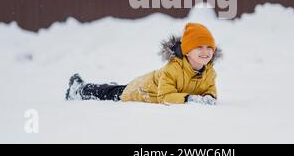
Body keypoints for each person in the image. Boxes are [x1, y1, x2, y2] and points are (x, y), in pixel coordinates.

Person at [65, 22, 221, 105]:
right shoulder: (173, 69)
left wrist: (208, 97)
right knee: (112, 94)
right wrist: (189, 99)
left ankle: (108, 85)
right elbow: (165, 97)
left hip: (149, 87)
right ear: (187, 51)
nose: (205, 52)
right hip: (141, 89)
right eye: (199, 47)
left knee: (116, 88)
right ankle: (79, 89)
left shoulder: (209, 72)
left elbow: (210, 92)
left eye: (209, 48)